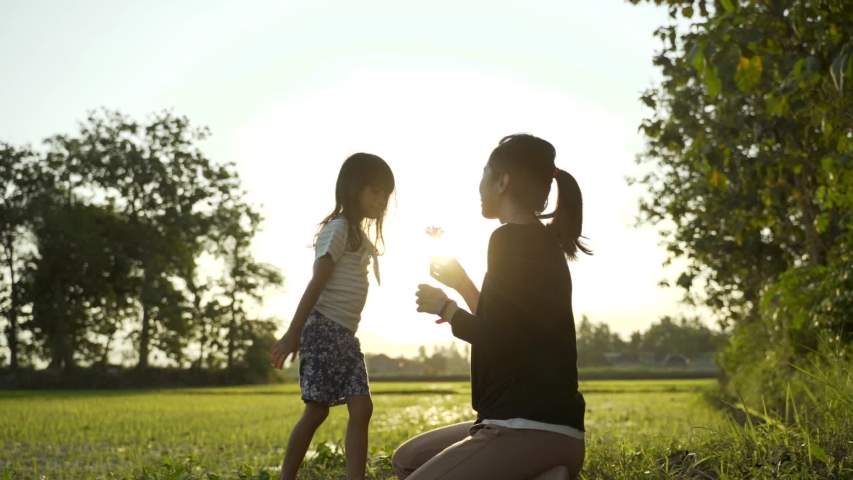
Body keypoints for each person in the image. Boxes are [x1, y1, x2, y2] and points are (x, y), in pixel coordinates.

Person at [394, 134, 590, 480]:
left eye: (485, 174)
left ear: (502, 181)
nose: (479, 186)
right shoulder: (541, 242)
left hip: (522, 427)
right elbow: (506, 327)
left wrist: (443, 306)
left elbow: (492, 335)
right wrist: (464, 284)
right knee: (407, 459)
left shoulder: (508, 239)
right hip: (554, 430)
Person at [270, 153, 395, 480]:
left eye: (386, 193)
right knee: (316, 411)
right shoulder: (339, 229)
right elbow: (317, 282)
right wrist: (293, 332)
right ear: (354, 189)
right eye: (375, 191)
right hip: (323, 328)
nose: (382, 200)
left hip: (344, 335)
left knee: (362, 408)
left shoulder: (356, 234)